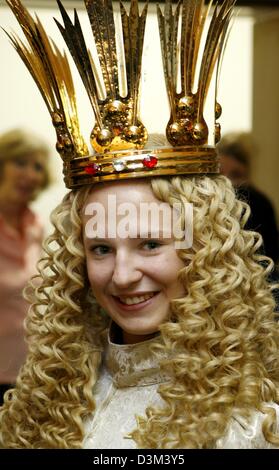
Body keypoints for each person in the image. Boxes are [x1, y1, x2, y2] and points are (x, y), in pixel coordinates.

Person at [0, 0, 279, 449]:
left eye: (150, 243)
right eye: (101, 249)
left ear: (204, 249)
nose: (123, 276)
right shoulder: (47, 398)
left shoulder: (253, 423)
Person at [0, 128, 51, 405]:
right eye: (20, 163)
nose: (31, 174)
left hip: (30, 368)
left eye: (38, 167)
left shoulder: (36, 226)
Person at [218, 132, 279, 265]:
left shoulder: (260, 203)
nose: (227, 182)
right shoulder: (210, 200)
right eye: (221, 173)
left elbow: (270, 255)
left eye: (235, 175)